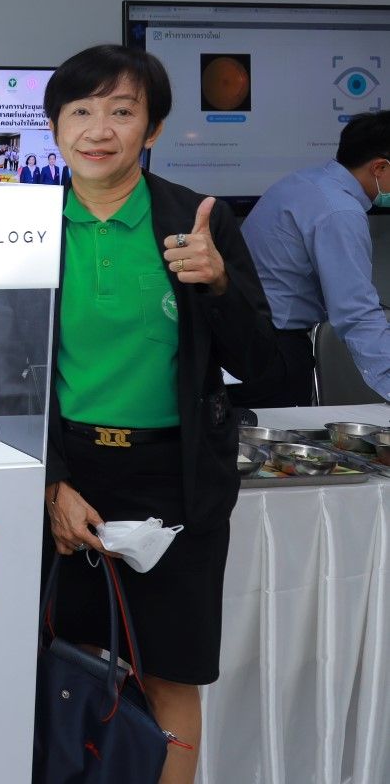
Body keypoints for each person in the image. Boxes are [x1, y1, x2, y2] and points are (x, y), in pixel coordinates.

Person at [40, 44, 284, 784]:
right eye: (80, 111)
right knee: (63, 667)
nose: (99, 128)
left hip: (175, 480)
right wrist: (51, 484)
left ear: (152, 129)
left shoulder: (194, 222)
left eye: (122, 111)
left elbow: (263, 361)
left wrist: (217, 286)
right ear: (56, 129)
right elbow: (0, 369)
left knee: (170, 674)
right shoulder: (29, 225)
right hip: (69, 475)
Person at [239, 110, 390, 406]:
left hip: (247, 339)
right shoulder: (340, 211)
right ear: (380, 168)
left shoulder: (309, 181)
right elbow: (356, 312)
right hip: (275, 349)